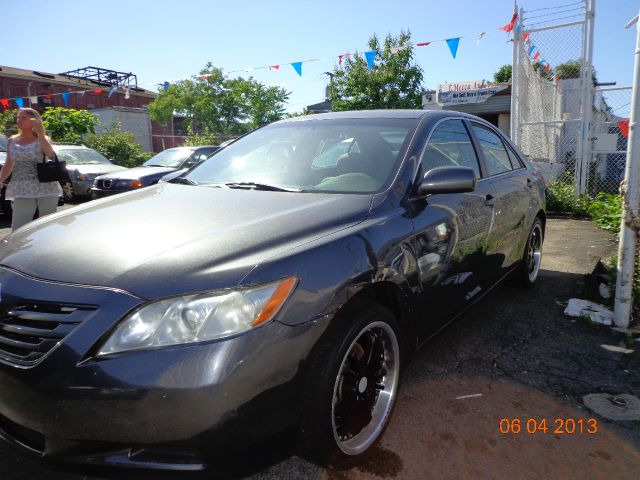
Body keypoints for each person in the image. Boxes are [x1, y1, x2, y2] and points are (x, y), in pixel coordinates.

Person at [0, 108, 62, 231]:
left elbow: (50, 154)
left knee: (48, 224)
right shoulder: (12, 141)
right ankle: (19, 249)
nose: (19, 120)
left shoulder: (43, 139)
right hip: (21, 186)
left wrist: (39, 132)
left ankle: (48, 249)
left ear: (34, 120)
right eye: (18, 117)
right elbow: (8, 164)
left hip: (45, 186)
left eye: (24, 117)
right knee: (19, 225)